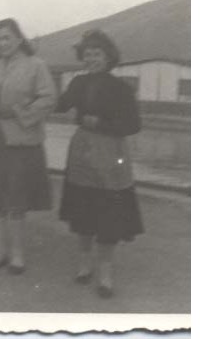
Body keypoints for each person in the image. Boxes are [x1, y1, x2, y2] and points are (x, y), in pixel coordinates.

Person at [55, 29, 143, 298]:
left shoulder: (121, 88)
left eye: (98, 54)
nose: (92, 58)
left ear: (108, 57)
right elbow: (59, 105)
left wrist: (101, 124)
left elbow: (133, 125)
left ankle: (105, 271)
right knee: (83, 209)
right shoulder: (78, 82)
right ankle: (84, 264)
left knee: (108, 213)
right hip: (82, 151)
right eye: (88, 54)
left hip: (111, 152)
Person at [0, 18, 56, 275]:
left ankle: (18, 254)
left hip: (22, 138)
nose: (2, 43)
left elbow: (49, 98)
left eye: (7, 37)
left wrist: (18, 112)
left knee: (17, 194)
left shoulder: (36, 65)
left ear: (19, 39)